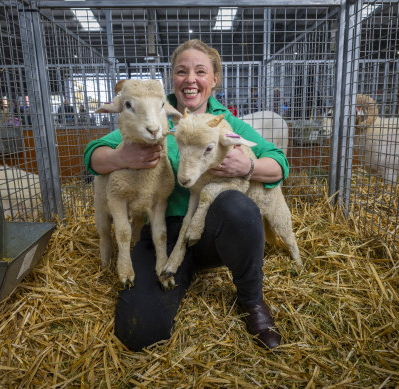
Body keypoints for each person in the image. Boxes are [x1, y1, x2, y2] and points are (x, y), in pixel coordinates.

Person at [83, 39, 290, 351]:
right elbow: (93, 153)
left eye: (200, 71)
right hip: (161, 233)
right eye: (181, 71)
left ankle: (252, 300)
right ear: (173, 79)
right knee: (140, 333)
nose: (190, 79)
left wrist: (246, 165)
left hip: (211, 230)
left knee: (238, 205)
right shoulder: (156, 115)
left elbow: (278, 163)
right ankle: (178, 275)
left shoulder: (224, 122)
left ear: (214, 80)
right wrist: (120, 158)